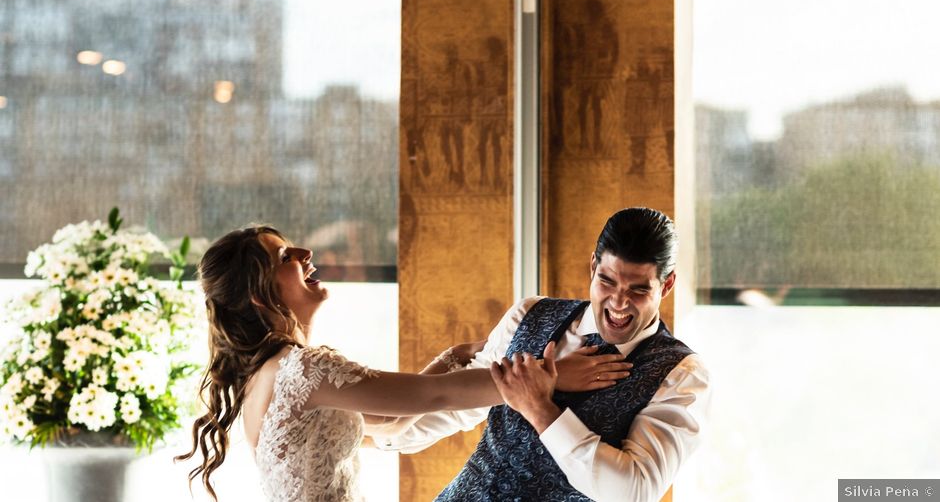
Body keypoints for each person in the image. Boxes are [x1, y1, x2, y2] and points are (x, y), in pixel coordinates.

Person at [175, 225, 623, 502]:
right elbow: (435, 395)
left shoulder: (269, 373)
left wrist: (453, 357)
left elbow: (390, 423)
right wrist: (552, 376)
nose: (304, 255)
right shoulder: (304, 370)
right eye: (284, 257)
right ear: (259, 294)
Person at [372, 207, 711, 502]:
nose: (619, 303)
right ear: (593, 266)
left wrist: (541, 410)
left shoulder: (681, 374)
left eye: (638, 289)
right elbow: (457, 410)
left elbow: (633, 491)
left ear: (666, 286)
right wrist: (374, 437)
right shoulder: (529, 313)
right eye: (607, 281)